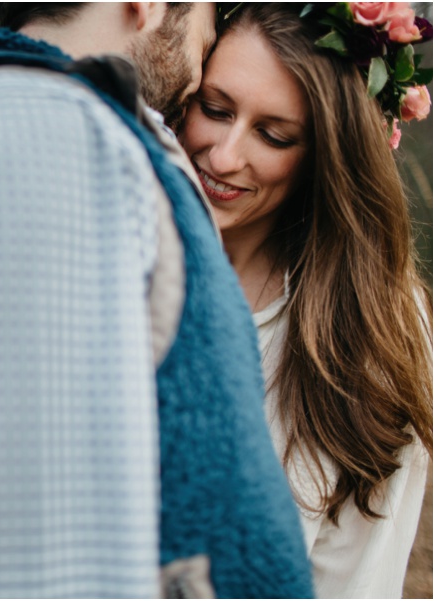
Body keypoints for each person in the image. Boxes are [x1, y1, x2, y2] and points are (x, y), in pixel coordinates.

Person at [0, 3, 313, 597]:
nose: (207, 38)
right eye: (210, 9)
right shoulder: (37, 139)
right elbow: (19, 558)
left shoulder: (69, 129)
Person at [179, 3, 433, 597]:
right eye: (214, 109)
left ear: (326, 152)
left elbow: (358, 578)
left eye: (274, 135)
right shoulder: (114, 262)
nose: (222, 156)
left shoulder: (380, 330)